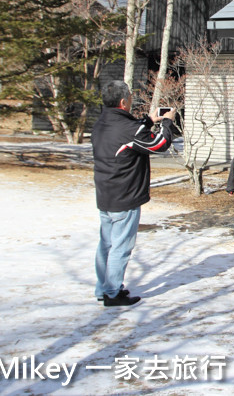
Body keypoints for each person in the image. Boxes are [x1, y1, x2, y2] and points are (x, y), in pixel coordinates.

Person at [92, 80, 175, 307]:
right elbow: (159, 144)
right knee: (121, 246)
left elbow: (131, 136)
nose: (130, 100)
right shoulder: (128, 129)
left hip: (105, 193)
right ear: (123, 101)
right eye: (129, 97)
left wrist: (149, 120)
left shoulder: (101, 123)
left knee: (106, 244)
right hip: (125, 195)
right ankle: (112, 292)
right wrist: (167, 123)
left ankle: (102, 288)